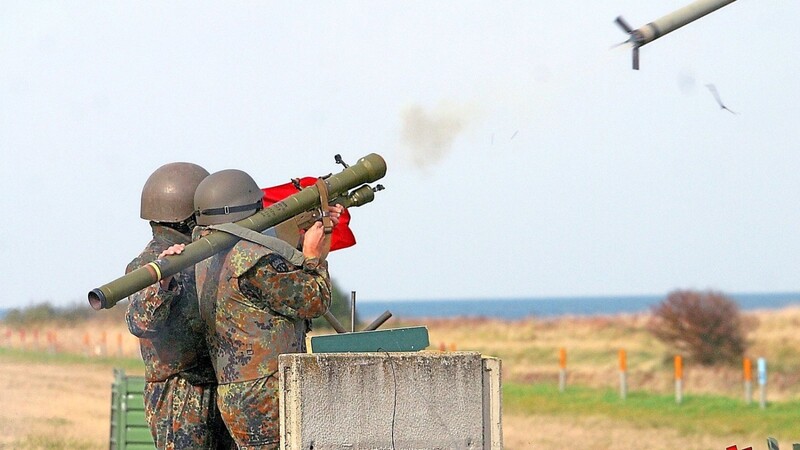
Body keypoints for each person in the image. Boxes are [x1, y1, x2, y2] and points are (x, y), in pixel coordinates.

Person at [192, 169, 340, 449]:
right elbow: (314, 300)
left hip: (238, 391)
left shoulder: (207, 255)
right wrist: (313, 257)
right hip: (266, 396)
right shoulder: (255, 261)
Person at [125, 162, 232, 449]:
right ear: (188, 217)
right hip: (180, 391)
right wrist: (164, 281)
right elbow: (141, 322)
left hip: (215, 382)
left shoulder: (204, 255)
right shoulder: (146, 264)